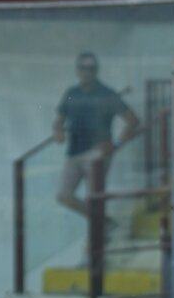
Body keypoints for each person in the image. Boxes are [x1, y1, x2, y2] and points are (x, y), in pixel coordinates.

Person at [52, 52, 139, 217]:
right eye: (83, 68)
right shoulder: (72, 93)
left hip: (98, 153)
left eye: (91, 69)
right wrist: (58, 132)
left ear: (96, 71)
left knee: (94, 198)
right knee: (64, 196)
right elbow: (59, 120)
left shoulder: (107, 94)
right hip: (73, 153)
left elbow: (133, 121)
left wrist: (116, 145)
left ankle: (98, 236)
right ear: (77, 71)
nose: (87, 72)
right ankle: (104, 224)